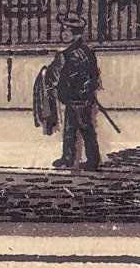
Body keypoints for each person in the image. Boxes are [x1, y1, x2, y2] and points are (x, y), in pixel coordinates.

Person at [42, 16, 103, 171]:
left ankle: (87, 160)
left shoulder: (68, 54)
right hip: (80, 98)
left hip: (76, 98)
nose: (63, 34)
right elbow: (94, 76)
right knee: (74, 128)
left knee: (81, 128)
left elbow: (57, 74)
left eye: (66, 31)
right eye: (63, 31)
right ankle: (72, 158)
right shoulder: (87, 52)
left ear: (75, 34)